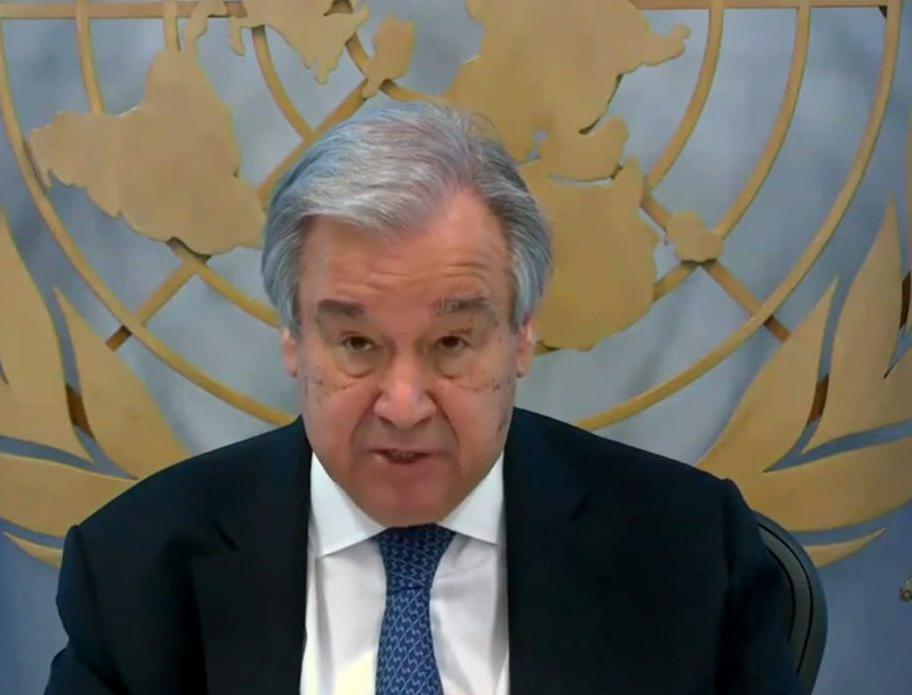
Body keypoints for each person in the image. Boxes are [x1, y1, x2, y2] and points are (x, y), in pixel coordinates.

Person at [42, 101, 803, 695]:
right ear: (294, 341)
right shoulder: (139, 571)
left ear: (521, 338)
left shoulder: (690, 555)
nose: (403, 405)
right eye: (356, 343)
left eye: (451, 343)